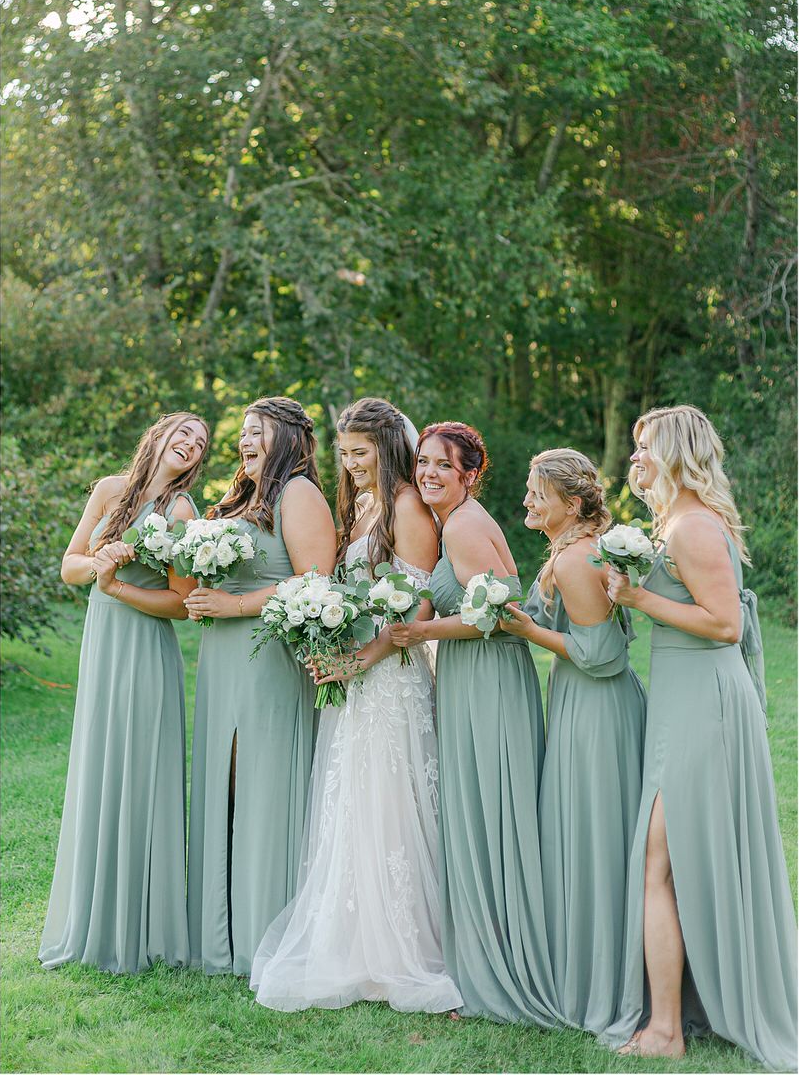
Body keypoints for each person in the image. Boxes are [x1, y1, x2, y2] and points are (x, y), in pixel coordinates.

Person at [600, 405, 797, 1070]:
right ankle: (681, 1012)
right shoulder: (676, 522)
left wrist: (638, 599)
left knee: (660, 863)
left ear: (676, 455)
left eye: (644, 447)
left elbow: (724, 625)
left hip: (705, 703)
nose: (634, 458)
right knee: (671, 861)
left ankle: (666, 1028)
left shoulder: (691, 527)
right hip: (682, 701)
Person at [250, 397, 461, 1013]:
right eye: (343, 453)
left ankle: (400, 947)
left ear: (387, 448)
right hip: (355, 676)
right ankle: (355, 940)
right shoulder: (364, 504)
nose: (351, 464)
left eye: (360, 453)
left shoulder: (407, 507)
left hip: (391, 677)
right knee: (353, 801)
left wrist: (362, 659)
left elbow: (417, 608)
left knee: (389, 802)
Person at [390, 422, 560, 1027]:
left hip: (489, 679)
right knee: (477, 812)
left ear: (469, 474)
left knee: (490, 813)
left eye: (444, 465)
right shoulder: (451, 522)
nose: (429, 473)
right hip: (470, 675)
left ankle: (499, 971)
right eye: (423, 462)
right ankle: (479, 962)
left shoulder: (463, 526)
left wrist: (418, 630)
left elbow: (498, 616)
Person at [39, 411, 209, 973]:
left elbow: (181, 604)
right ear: (158, 436)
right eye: (183, 433)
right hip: (101, 645)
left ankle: (141, 922)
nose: (190, 444)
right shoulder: (110, 489)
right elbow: (69, 567)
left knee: (137, 769)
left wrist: (117, 588)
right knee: (99, 763)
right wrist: (100, 564)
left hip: (142, 646)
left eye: (200, 443)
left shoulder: (182, 512)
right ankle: (91, 913)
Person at [186, 396, 336, 977]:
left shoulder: (298, 493)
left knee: (260, 784)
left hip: (266, 654)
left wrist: (235, 605)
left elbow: (316, 580)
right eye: (243, 432)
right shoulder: (245, 495)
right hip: (222, 658)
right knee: (226, 783)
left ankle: (261, 931)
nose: (245, 441)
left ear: (289, 439)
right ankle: (218, 932)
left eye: (257, 431)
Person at [499, 448, 646, 1033]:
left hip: (595, 709)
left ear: (574, 503)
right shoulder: (574, 551)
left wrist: (526, 629)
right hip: (583, 702)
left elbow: (601, 655)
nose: (528, 501)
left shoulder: (576, 559)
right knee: (590, 831)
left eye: (539, 494)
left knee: (594, 834)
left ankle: (601, 982)